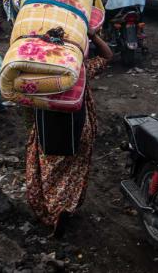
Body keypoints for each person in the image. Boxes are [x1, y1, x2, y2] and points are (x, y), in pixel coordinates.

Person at [25, 29, 113, 231]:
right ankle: (66, 206)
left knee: (48, 172)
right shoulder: (79, 70)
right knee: (73, 170)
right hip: (80, 127)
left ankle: (52, 211)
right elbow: (108, 55)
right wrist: (93, 35)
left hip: (48, 130)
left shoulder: (39, 73)